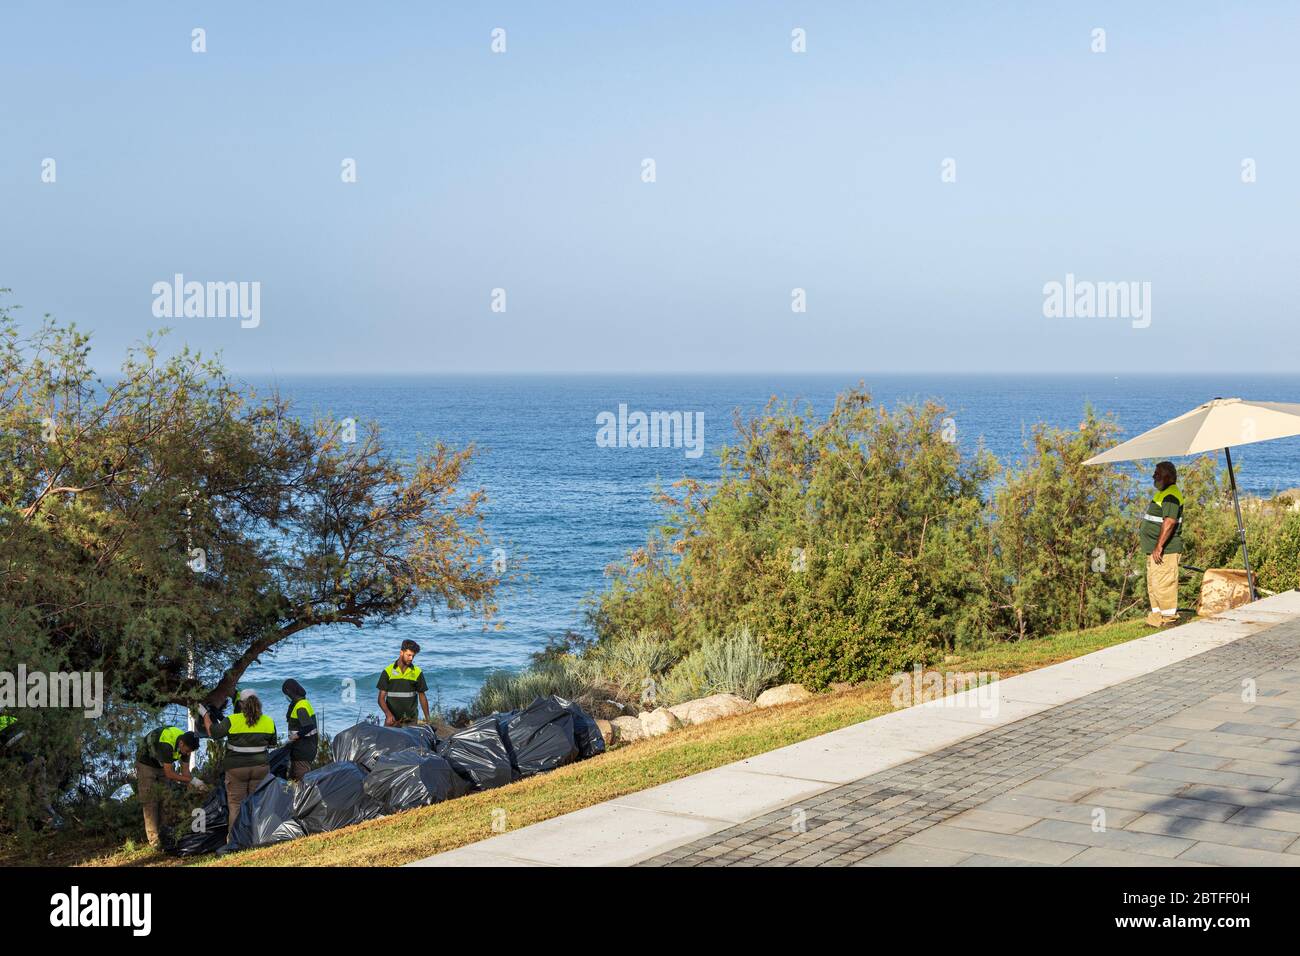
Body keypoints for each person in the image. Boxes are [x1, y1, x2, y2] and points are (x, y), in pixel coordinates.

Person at [203, 690, 277, 829]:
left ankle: (235, 841)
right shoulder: (269, 721)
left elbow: (213, 733)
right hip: (260, 768)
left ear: (241, 704)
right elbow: (272, 743)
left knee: (236, 804)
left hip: (236, 769)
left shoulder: (232, 720)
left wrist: (205, 715)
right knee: (257, 803)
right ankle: (258, 835)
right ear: (258, 703)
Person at [135, 725, 203, 848]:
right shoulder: (167, 744)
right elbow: (169, 774)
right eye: (187, 751)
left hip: (162, 764)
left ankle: (165, 834)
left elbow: (185, 771)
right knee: (150, 801)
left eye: (190, 752)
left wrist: (193, 787)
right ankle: (154, 841)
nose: (187, 753)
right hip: (146, 763)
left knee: (165, 798)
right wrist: (193, 780)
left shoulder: (187, 744)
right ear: (181, 743)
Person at [1142, 460, 1185, 627]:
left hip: (1165, 551)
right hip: (1154, 551)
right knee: (1154, 585)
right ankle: (1156, 619)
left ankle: (1169, 619)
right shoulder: (1163, 492)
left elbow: (1170, 521)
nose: (1154, 476)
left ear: (1168, 476)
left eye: (1157, 473)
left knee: (1164, 585)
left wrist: (1159, 546)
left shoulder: (1171, 495)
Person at [377, 639, 430, 726]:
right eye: (408, 655)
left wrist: (428, 719)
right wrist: (388, 714)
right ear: (401, 652)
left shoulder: (417, 672)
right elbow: (381, 699)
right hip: (392, 720)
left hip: (411, 721)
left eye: (413, 656)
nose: (411, 658)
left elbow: (422, 696)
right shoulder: (388, 671)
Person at [282, 679, 318, 781]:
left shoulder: (300, 707)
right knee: (294, 780)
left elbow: (308, 726)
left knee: (302, 781)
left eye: (286, 694)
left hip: (303, 750)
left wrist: (294, 736)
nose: (286, 697)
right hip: (305, 748)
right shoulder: (304, 702)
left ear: (289, 691)